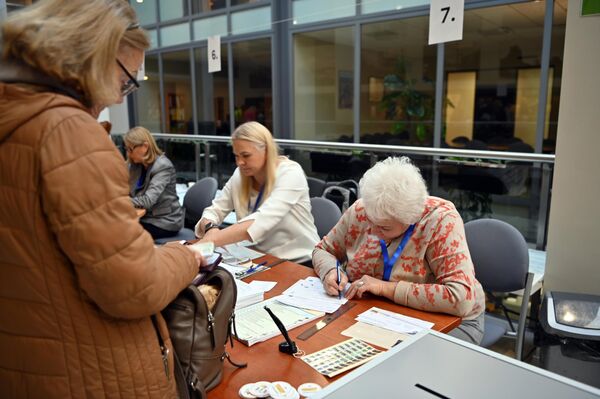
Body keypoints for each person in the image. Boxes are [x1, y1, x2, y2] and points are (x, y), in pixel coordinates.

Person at [0, 1, 208, 397]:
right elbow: (134, 287)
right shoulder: (69, 133)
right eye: (127, 80)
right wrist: (186, 256)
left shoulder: (16, 121)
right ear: (97, 54)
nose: (117, 97)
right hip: (93, 373)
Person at [313, 157, 485, 344]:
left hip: (449, 321)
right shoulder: (363, 210)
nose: (372, 231)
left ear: (410, 218)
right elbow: (323, 250)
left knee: (396, 364)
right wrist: (330, 271)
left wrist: (384, 288)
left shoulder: (440, 221)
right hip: (377, 313)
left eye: (384, 228)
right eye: (370, 219)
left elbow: (460, 298)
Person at [195, 121, 319, 264]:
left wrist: (210, 241)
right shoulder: (240, 174)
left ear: (266, 151)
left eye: (246, 155)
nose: (239, 162)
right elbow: (214, 210)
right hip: (260, 259)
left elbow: (261, 221)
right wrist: (211, 228)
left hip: (300, 262)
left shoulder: (290, 173)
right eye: (236, 156)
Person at [125, 126, 184, 239]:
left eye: (130, 149)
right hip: (146, 217)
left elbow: (147, 200)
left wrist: (121, 201)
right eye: (126, 149)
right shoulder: (136, 165)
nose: (128, 154)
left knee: (124, 232)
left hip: (165, 221)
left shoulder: (162, 166)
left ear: (145, 147)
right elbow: (124, 189)